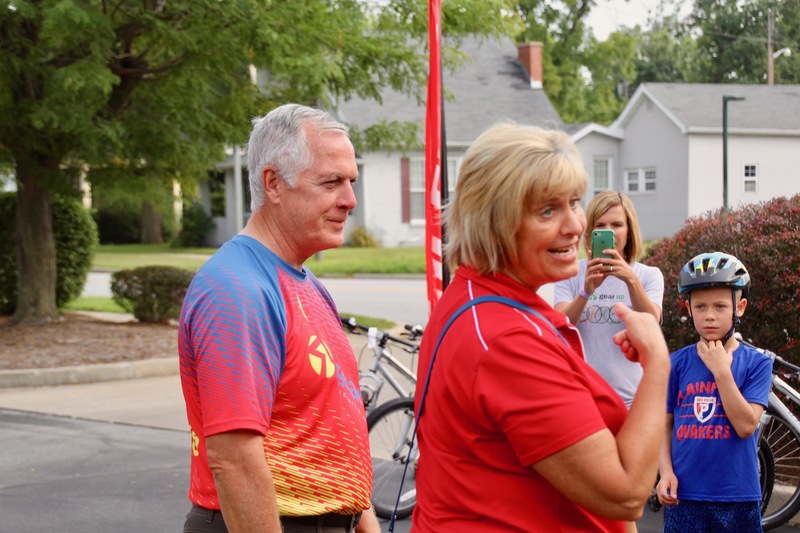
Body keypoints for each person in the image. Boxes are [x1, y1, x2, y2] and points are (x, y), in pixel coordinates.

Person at [410, 123, 671, 532]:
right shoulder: (508, 340)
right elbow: (624, 493)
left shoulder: (478, 298)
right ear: (494, 222)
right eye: (547, 210)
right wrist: (657, 362)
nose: (575, 226)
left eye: (574, 202)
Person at [178, 104, 379, 533]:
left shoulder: (304, 281)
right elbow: (234, 460)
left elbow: (331, 428)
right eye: (331, 183)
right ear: (273, 183)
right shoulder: (236, 288)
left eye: (351, 182)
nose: (350, 200)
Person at [656, 252, 772, 533]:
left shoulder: (757, 363)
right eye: (700, 307)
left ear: (739, 307)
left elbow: (746, 425)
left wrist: (722, 371)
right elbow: (664, 424)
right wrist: (665, 472)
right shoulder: (676, 364)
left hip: (738, 497)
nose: (709, 315)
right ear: (689, 308)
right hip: (685, 496)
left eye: (720, 306)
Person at [554, 191, 664, 408]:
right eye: (600, 225)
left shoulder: (648, 275)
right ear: (590, 231)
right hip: (583, 397)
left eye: (616, 225)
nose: (608, 232)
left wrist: (630, 280)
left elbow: (651, 322)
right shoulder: (571, 273)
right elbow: (558, 326)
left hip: (634, 400)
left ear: (629, 230)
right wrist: (586, 292)